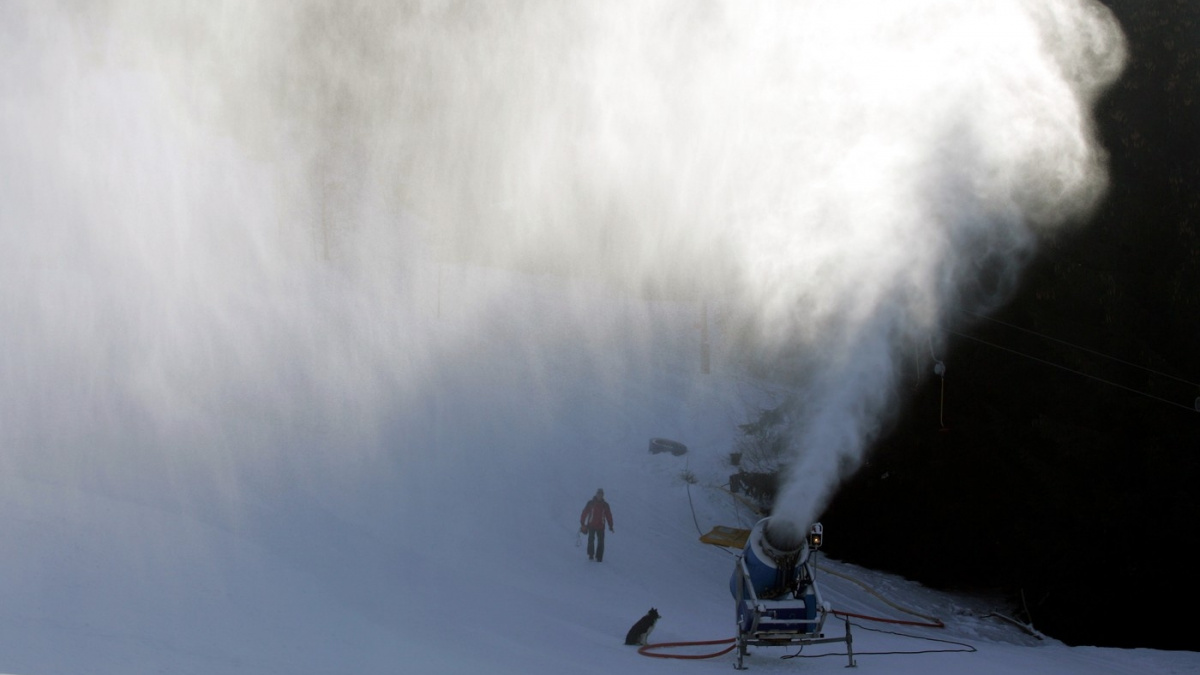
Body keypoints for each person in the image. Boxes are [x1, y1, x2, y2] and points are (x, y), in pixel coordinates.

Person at [580, 488, 614, 562]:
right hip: (591, 525)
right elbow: (585, 512)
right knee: (591, 540)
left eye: (601, 494)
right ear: (596, 494)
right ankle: (591, 555)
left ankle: (599, 557)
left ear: (602, 495)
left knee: (601, 542)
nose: (599, 495)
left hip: (601, 526)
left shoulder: (605, 505)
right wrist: (582, 523)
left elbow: (609, 515)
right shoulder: (591, 503)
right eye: (598, 494)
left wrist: (610, 525)